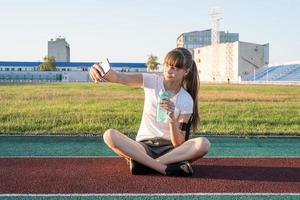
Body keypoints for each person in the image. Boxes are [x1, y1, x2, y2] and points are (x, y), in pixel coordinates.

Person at [89, 48, 211, 176]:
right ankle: (163, 169)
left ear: (186, 71)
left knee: (203, 144)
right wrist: (97, 70)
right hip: (143, 147)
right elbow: (118, 77)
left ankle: (144, 165)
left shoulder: (186, 100)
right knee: (109, 135)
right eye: (167, 65)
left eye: (175, 68)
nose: (169, 70)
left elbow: (179, 143)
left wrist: (171, 119)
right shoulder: (151, 80)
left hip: (171, 151)